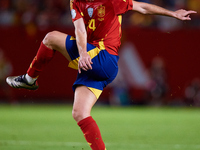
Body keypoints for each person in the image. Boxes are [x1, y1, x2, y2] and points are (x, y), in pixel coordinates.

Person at [6, 0, 196, 150]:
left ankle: (30, 79)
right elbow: (79, 30)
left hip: (104, 57)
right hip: (96, 64)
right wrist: (83, 54)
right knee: (79, 113)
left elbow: (142, 8)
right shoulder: (76, 2)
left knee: (50, 38)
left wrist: (172, 13)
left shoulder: (112, 1)